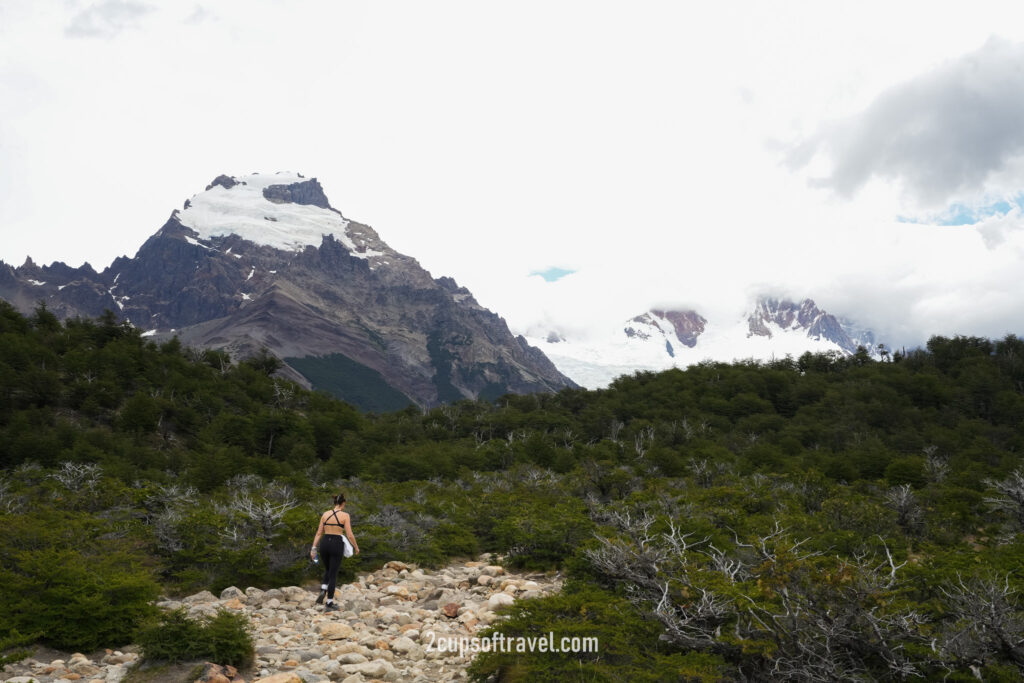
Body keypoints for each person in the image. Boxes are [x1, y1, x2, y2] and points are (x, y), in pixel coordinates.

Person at [311, 492, 360, 611]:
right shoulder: (345, 515)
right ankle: (329, 602)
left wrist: (313, 548)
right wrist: (356, 547)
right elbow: (349, 534)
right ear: (343, 503)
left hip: (324, 542)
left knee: (328, 569)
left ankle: (323, 589)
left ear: (334, 503)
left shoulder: (325, 514)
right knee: (333, 573)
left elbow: (318, 533)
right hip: (336, 542)